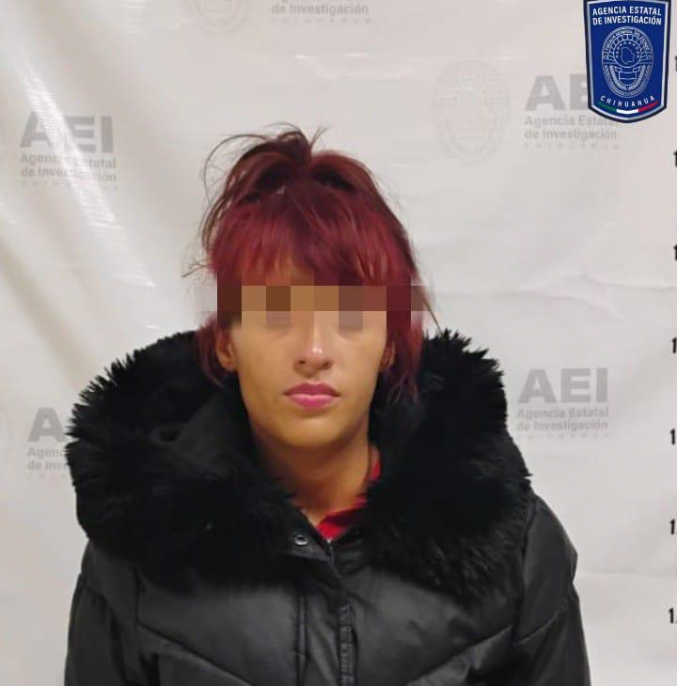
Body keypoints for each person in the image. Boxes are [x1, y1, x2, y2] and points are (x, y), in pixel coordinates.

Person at [63, 124, 592, 685]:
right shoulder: (139, 555)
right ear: (225, 342)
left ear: (389, 344)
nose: (313, 352)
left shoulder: (513, 548)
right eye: (275, 314)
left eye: (349, 317)